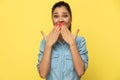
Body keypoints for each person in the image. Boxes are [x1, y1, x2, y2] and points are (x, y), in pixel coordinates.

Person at [37, 1, 88, 80]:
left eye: (65, 16)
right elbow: (43, 74)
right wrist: (48, 46)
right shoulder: (45, 42)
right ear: (52, 20)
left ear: (70, 19)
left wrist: (72, 44)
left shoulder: (80, 41)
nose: (60, 20)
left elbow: (81, 71)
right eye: (56, 16)